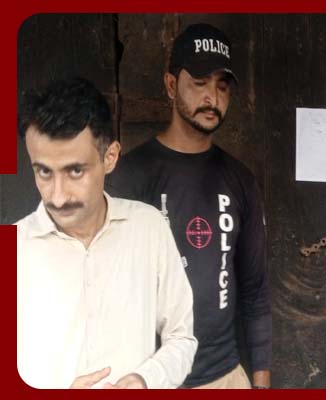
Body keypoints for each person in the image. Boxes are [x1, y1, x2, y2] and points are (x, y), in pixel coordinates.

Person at [106, 23, 271, 389]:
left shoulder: (240, 180)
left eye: (222, 86)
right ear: (170, 85)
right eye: (199, 82)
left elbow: (255, 291)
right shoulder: (128, 177)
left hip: (225, 376)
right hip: (149, 378)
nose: (212, 96)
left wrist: (260, 384)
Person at [16, 77, 197, 389]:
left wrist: (145, 380)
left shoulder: (149, 227)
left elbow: (182, 338)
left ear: (110, 157)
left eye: (75, 171)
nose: (58, 196)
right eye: (44, 172)